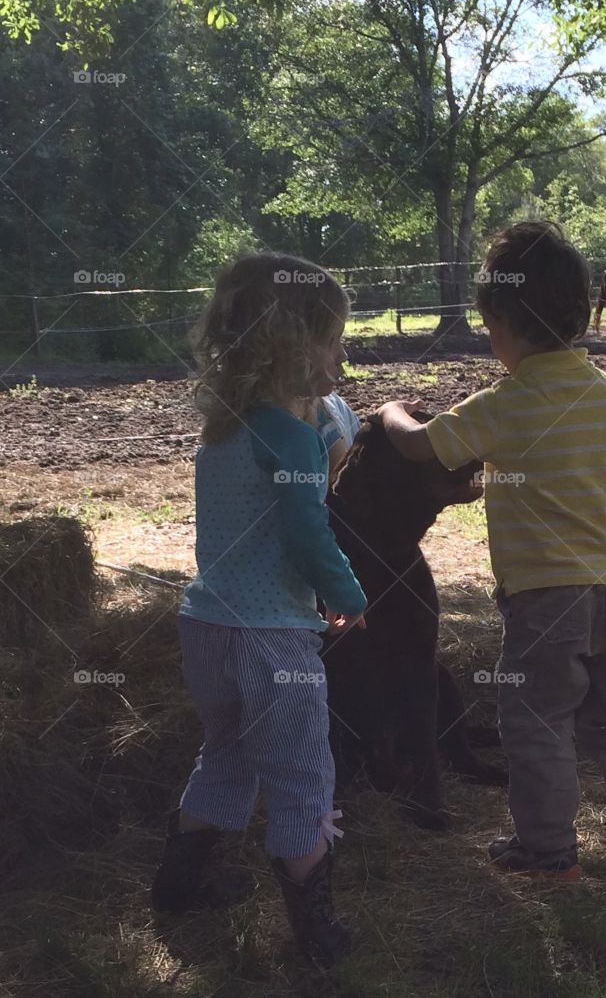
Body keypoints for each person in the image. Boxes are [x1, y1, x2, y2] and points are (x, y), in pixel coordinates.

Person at [378, 222, 606, 880]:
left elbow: (420, 447)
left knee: (537, 719)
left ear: (503, 322)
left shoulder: (505, 402)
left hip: (545, 598)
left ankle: (547, 848)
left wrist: (391, 412)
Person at [151, 252, 367, 968]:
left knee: (227, 754)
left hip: (206, 626)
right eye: (334, 339)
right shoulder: (294, 434)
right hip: (274, 640)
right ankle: (317, 933)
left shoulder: (222, 431)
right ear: (292, 345)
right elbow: (309, 530)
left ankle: (179, 883)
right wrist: (347, 595)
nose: (343, 355)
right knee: (303, 774)